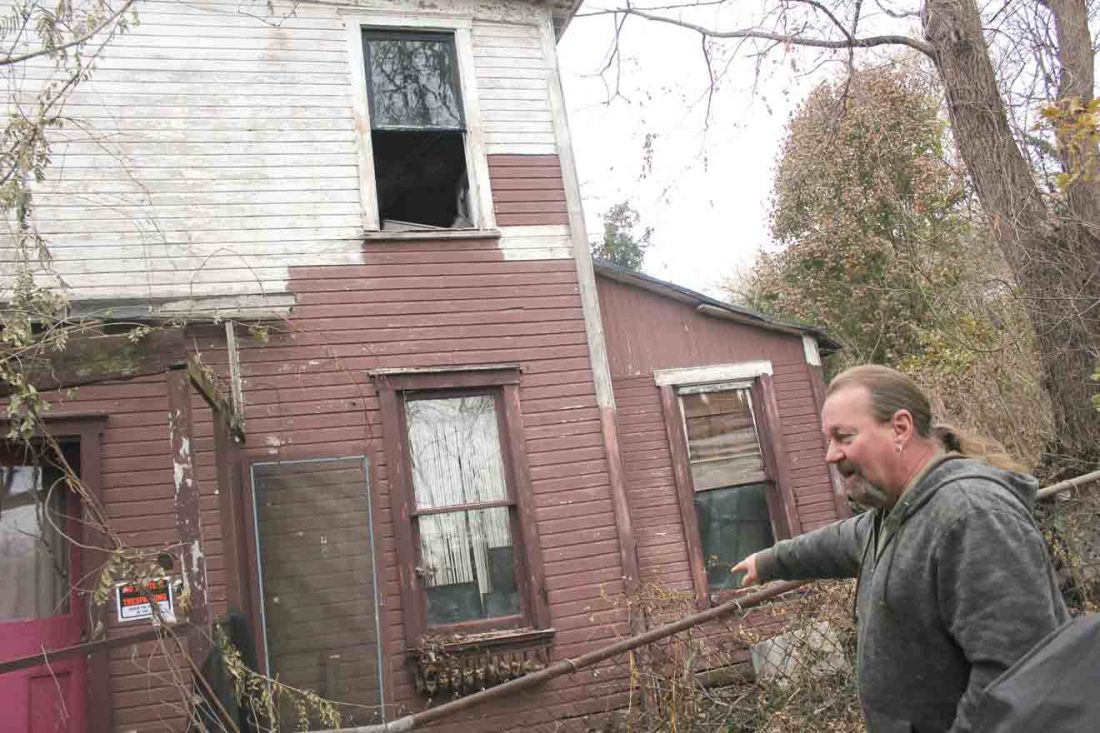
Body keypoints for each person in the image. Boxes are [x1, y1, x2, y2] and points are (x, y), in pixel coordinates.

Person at [732, 365, 1068, 732]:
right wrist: (768, 561)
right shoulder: (897, 512)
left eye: (843, 437)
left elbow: (1014, 673)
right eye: (828, 440)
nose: (830, 454)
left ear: (900, 428)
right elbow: (837, 542)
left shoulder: (972, 516)